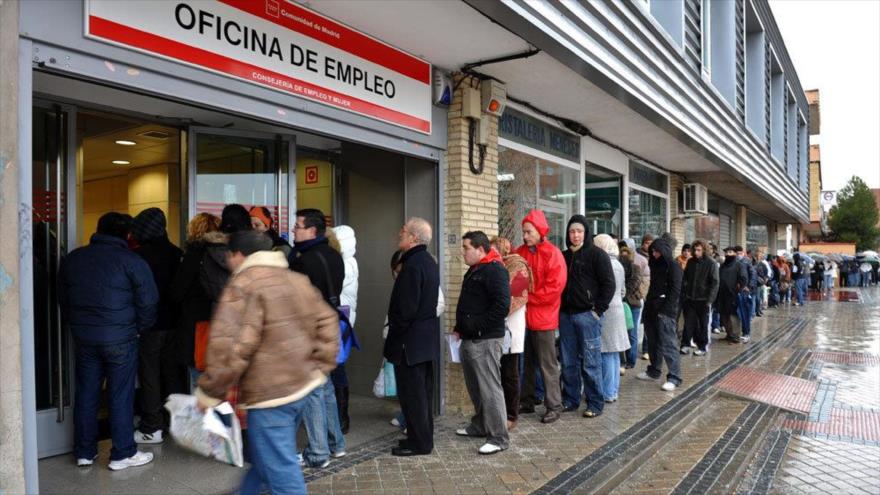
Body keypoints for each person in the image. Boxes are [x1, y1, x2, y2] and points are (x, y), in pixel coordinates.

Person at [195, 230, 338, 494]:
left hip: (270, 396)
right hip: (302, 387)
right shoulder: (295, 278)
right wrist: (320, 366)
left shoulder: (243, 286)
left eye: (229, 256)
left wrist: (210, 392)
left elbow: (231, 347)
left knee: (281, 471)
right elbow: (329, 320)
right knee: (265, 460)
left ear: (238, 255)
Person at [59, 212, 159, 470]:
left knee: (86, 394)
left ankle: (84, 452)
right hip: (121, 339)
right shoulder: (132, 261)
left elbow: (63, 299)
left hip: (85, 338)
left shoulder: (74, 259)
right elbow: (149, 302)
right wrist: (139, 329)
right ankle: (122, 453)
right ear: (127, 235)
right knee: (120, 395)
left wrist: (78, 326)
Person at [287, 208, 347, 467]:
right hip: (330, 326)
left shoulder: (302, 259)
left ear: (311, 230)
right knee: (326, 387)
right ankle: (336, 444)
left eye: (297, 226)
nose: (293, 230)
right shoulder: (335, 256)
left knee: (312, 390)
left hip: (308, 330)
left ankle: (318, 453)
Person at [384, 218, 441, 456]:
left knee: (413, 395)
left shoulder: (413, 265)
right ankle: (419, 439)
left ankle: (420, 443)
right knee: (421, 395)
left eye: (404, 230)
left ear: (413, 237)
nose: (400, 233)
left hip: (410, 344)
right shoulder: (427, 261)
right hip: (423, 342)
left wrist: (394, 333)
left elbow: (405, 309)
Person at [453, 231, 511, 455]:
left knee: (489, 389)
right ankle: (479, 425)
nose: (463, 252)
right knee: (475, 386)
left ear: (480, 249)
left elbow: (502, 306)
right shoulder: (475, 269)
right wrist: (460, 327)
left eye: (466, 247)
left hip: (486, 340)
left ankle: (498, 437)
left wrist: (477, 327)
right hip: (470, 338)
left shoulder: (495, 270)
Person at [131, 208, 184, 444]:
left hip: (150, 325)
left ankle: (152, 425)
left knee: (149, 374)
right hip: (174, 324)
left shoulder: (139, 256)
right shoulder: (176, 253)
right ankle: (175, 422)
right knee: (171, 373)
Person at [557, 216, 613, 418]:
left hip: (587, 316)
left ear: (586, 233)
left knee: (591, 362)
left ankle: (595, 403)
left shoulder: (597, 255)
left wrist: (597, 311)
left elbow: (609, 284)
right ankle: (570, 400)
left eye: (579, 231)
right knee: (568, 362)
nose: (575, 235)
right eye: (572, 231)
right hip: (566, 316)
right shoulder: (563, 256)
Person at [516, 210, 567, 423]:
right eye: (524, 232)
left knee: (547, 365)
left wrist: (526, 297)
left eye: (529, 232)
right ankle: (527, 400)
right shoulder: (521, 252)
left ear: (539, 231)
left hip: (543, 318)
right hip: (524, 317)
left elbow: (554, 288)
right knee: (526, 363)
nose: (525, 236)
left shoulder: (552, 254)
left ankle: (554, 405)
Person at [169, 212, 221, 391]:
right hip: (223, 326)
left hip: (197, 327)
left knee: (198, 383)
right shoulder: (228, 254)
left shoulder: (195, 254)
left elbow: (177, 292)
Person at [490, 237, 532, 431]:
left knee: (510, 372)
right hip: (496, 325)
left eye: (494, 250)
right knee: (498, 372)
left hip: (511, 326)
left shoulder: (518, 266)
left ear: (503, 250)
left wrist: (493, 311)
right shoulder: (494, 267)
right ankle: (499, 411)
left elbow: (513, 296)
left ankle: (511, 415)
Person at [636, 236, 683, 391]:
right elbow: (653, 288)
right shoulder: (654, 264)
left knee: (669, 344)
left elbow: (675, 291)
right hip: (652, 308)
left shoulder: (674, 266)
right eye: (653, 251)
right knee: (653, 342)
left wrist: (666, 310)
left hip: (665, 311)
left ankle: (674, 377)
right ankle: (654, 370)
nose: (655, 254)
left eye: (657, 251)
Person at [592, 234, 630, 404]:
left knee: (606, 351)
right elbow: (622, 291)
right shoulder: (619, 264)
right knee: (614, 353)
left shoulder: (604, 263)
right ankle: (613, 391)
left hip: (606, 311)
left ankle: (607, 392)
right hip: (617, 308)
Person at [333, 225, 359, 433]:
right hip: (343, 319)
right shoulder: (348, 262)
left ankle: (342, 417)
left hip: (340, 320)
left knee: (337, 368)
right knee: (337, 367)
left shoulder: (346, 264)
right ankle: (340, 416)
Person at [680, 241, 719, 356]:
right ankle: (685, 344)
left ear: (704, 250)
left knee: (703, 324)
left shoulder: (711, 263)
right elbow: (685, 278)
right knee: (688, 323)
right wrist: (685, 292)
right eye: (695, 250)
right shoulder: (691, 262)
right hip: (690, 298)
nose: (696, 252)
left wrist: (710, 300)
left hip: (704, 299)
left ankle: (702, 347)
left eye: (699, 250)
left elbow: (715, 283)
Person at [618, 242, 644, 370]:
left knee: (632, 333)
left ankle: (631, 360)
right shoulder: (618, 268)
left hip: (632, 304)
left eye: (626, 256)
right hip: (620, 304)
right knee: (621, 333)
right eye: (622, 255)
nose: (624, 258)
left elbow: (634, 283)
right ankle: (622, 360)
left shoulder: (636, 268)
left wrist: (622, 293)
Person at [718, 247, 748, 344]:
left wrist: (739, 289)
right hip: (722, 294)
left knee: (733, 316)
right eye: (726, 252)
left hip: (733, 294)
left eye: (730, 252)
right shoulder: (723, 266)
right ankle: (729, 334)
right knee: (724, 315)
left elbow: (743, 278)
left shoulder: (739, 265)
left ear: (735, 253)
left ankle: (735, 336)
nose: (728, 254)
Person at [735, 246, 756, 343]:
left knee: (744, 313)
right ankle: (737, 333)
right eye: (737, 253)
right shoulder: (734, 261)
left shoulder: (747, 261)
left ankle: (746, 333)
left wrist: (749, 286)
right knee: (737, 313)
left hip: (744, 291)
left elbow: (753, 274)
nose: (738, 255)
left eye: (740, 253)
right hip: (735, 290)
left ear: (743, 253)